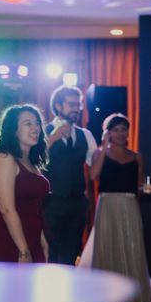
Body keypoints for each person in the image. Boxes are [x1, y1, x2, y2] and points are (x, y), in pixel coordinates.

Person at [88, 113, 151, 302]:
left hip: (130, 207)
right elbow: (93, 177)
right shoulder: (100, 153)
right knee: (107, 253)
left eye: (123, 129)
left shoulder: (137, 156)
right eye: (115, 129)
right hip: (107, 206)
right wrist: (103, 147)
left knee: (131, 254)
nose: (120, 133)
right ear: (108, 132)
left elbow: (138, 187)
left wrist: (146, 190)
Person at [43, 85, 97, 265]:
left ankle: (68, 291)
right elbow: (33, 162)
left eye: (78, 105)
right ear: (58, 106)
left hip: (77, 203)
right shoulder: (42, 132)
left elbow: (95, 168)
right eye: (72, 104)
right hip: (51, 202)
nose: (77, 109)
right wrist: (52, 138)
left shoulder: (85, 135)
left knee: (72, 252)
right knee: (50, 251)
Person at [0, 104, 50, 263]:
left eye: (37, 123)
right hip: (10, 239)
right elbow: (6, 209)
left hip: (32, 238)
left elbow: (35, 208)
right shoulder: (5, 158)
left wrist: (43, 243)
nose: (35, 128)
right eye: (28, 124)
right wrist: (23, 251)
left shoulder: (32, 163)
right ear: (14, 130)